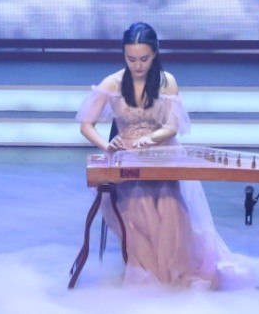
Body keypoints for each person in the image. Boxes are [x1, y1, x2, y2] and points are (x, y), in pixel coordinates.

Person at [77, 22, 235, 288]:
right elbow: (85, 125)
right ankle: (153, 275)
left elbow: (172, 126)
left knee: (169, 205)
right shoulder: (113, 82)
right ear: (124, 54)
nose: (137, 66)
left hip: (162, 152)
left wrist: (151, 138)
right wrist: (107, 146)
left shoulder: (166, 81)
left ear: (155, 54)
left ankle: (175, 274)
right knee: (140, 207)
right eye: (131, 59)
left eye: (144, 59)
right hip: (127, 157)